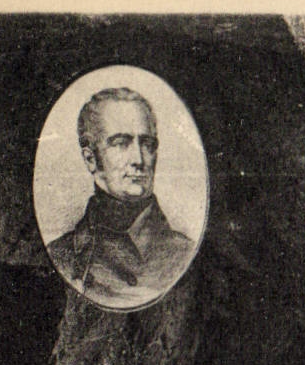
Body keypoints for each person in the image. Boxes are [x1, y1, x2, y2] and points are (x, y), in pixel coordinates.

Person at [47, 88, 195, 310]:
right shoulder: (60, 256)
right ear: (90, 159)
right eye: (120, 143)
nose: (138, 159)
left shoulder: (184, 254)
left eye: (147, 144)